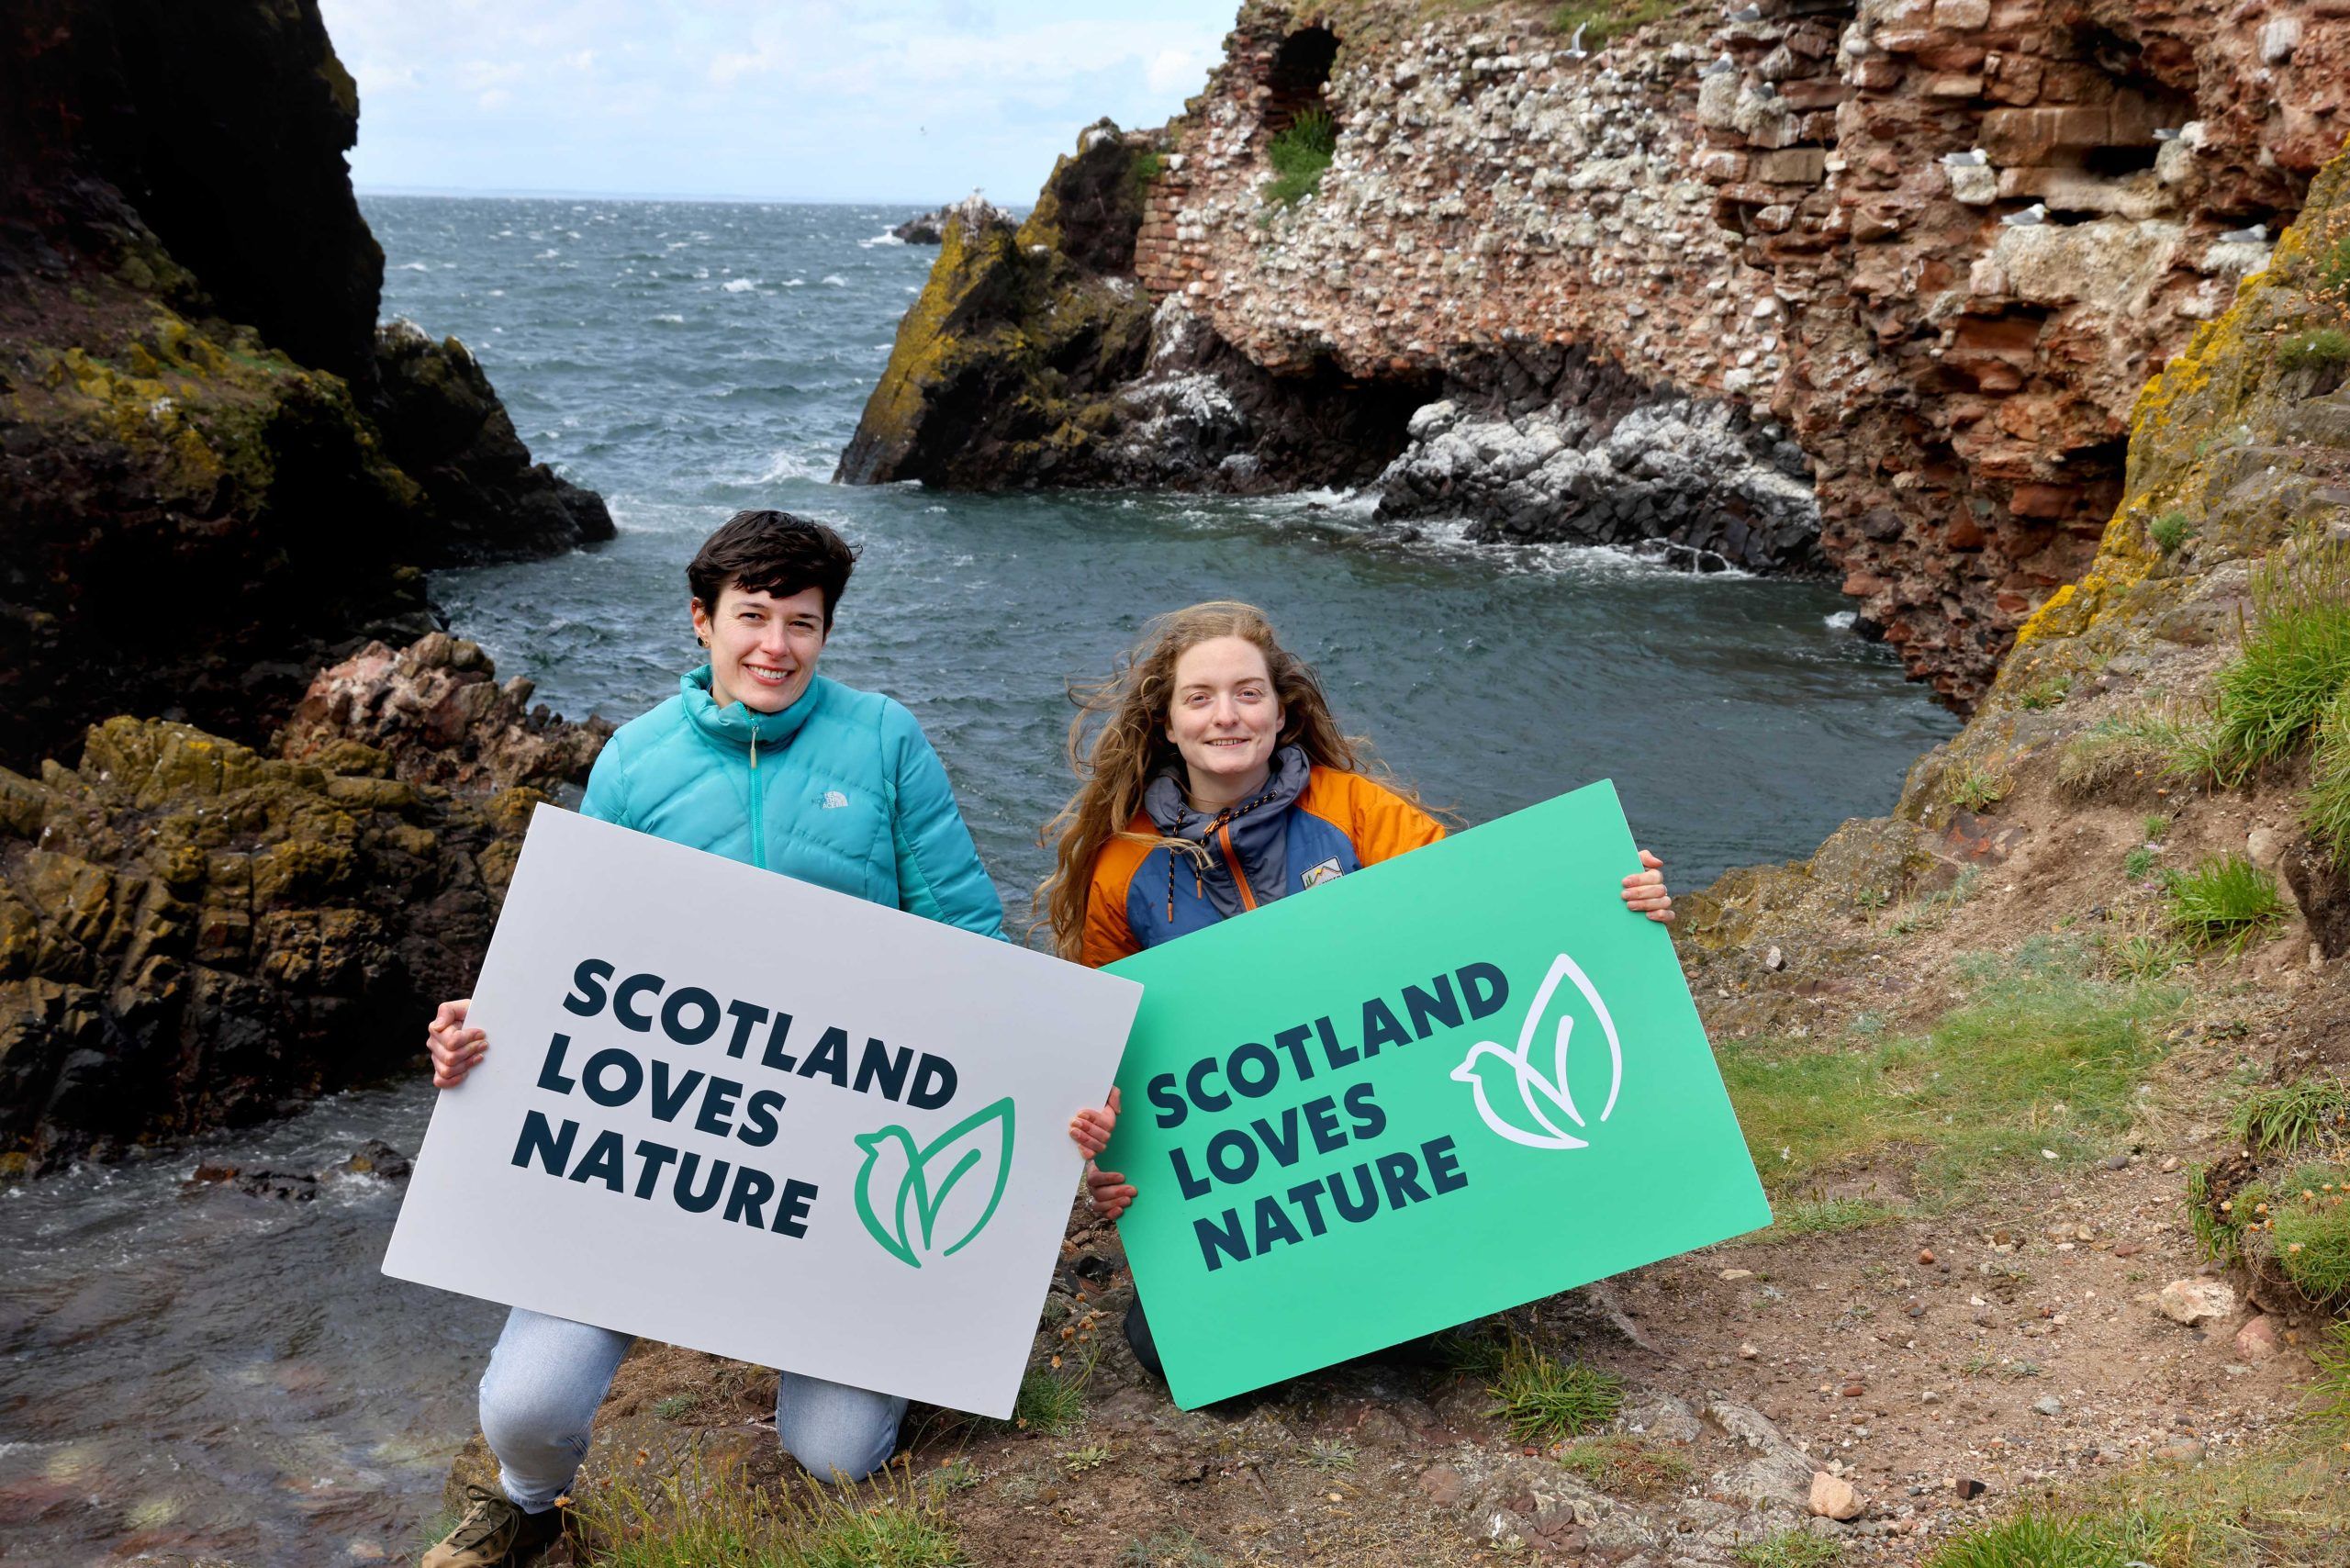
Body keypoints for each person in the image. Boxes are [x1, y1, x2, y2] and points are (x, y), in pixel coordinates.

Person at [420, 510, 1121, 1568]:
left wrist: (1055, 1076)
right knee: (525, 1407)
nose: (775, 647)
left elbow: (970, 936)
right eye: (751, 617)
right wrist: (481, 1031)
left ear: (827, 632)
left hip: (831, 1169)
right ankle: (520, 1506)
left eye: (802, 623)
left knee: (837, 1454)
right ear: (702, 622)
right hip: (664, 1154)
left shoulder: (883, 739)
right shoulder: (632, 762)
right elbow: (566, 960)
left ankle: (885, 1356)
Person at [1036, 600, 1672, 1374]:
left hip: (1389, 1134)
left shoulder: (1355, 812)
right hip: (1262, 1172)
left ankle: (1387, 1289)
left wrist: (1614, 896)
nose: (1226, 716)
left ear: (1282, 712)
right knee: (1167, 1349)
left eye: (1248, 693)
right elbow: (1111, 1057)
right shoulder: (1122, 869)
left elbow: (1493, 910)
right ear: (1167, 724)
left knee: (1413, 1318)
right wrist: (1112, 1155)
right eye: (1199, 698)